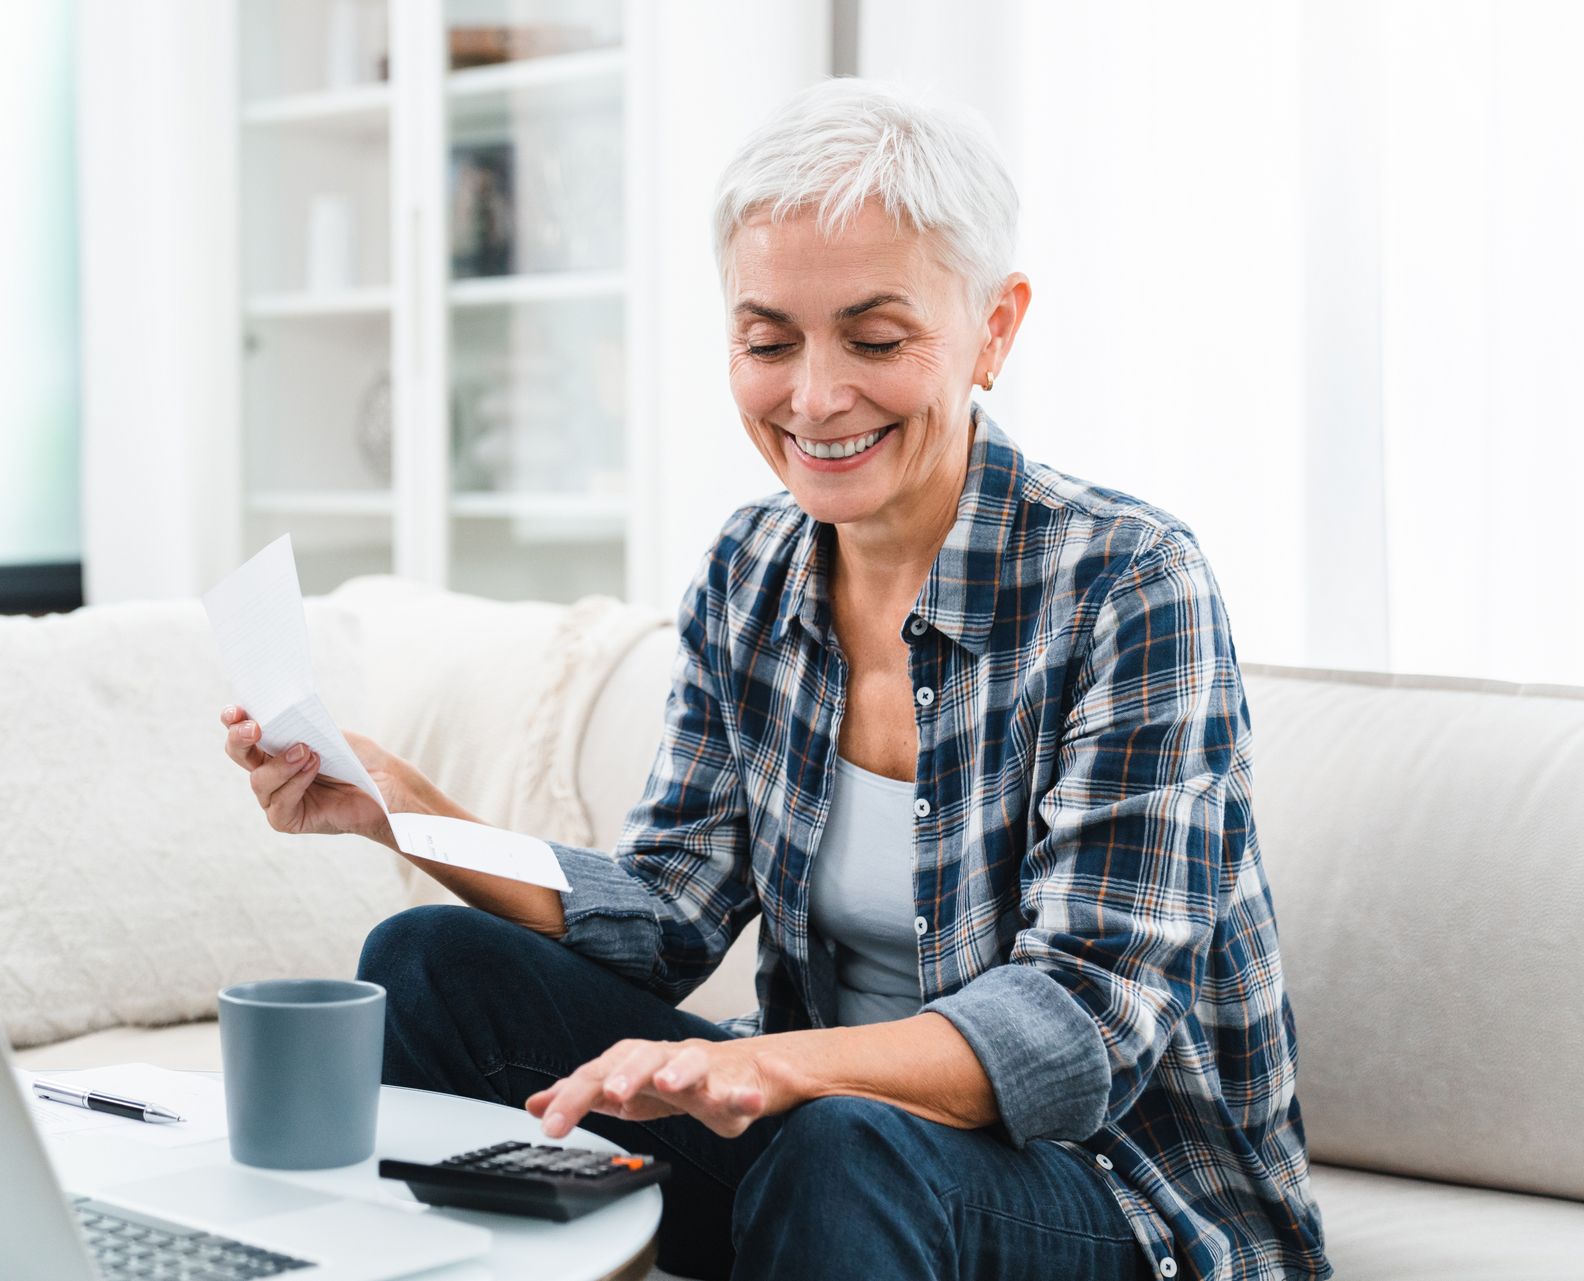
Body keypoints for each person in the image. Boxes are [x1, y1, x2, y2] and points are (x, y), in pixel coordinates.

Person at [222, 78, 1330, 1281]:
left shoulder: (1128, 585)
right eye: (767, 340)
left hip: (1113, 1189)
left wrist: (774, 1066)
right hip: (819, 1141)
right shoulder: (753, 570)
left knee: (847, 1146)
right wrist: (404, 805)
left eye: (875, 338)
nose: (814, 396)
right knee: (428, 966)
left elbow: (1080, 1033)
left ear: (994, 330)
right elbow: (663, 916)